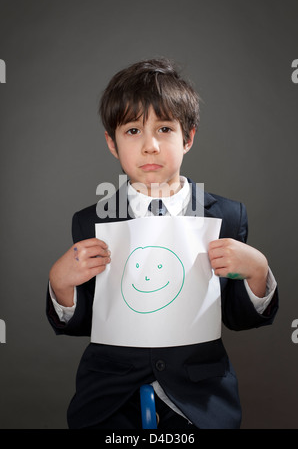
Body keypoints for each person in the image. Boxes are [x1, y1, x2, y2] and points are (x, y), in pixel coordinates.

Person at [46, 58, 278, 429]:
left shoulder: (228, 217)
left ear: (188, 138)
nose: (150, 146)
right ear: (112, 142)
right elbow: (87, 321)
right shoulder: (91, 221)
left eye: (165, 129)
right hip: (110, 397)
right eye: (133, 131)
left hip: (199, 397)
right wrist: (61, 286)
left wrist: (258, 274)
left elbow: (238, 317)